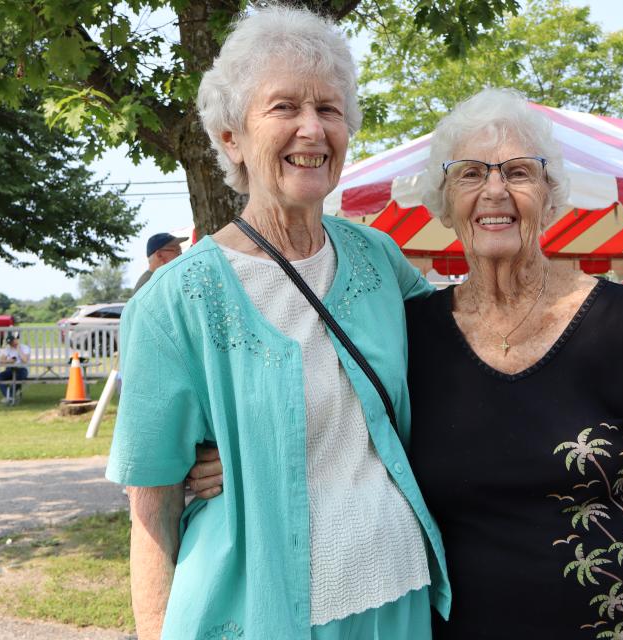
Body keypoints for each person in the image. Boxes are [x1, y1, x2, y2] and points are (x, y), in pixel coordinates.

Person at [106, 8, 448, 640]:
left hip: (396, 597)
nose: (312, 129)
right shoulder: (173, 302)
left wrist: (602, 319)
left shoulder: (378, 257)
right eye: (284, 107)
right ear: (232, 137)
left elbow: (474, 336)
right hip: (258, 612)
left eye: (330, 109)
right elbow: (150, 511)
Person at [401, 88, 623, 639]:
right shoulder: (411, 335)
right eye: (470, 174)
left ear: (549, 193)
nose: (495, 190)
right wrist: (224, 463)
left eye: (518, 171)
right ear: (446, 201)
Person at [0, 332, 29, 404]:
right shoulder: (8, 349)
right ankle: (9, 396)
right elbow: (1, 360)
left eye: (13, 342)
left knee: (17, 378)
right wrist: (9, 361)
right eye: (10, 343)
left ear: (16, 340)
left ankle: (9, 397)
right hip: (10, 370)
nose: (12, 344)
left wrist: (19, 349)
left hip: (21, 370)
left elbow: (25, 360)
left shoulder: (25, 348)